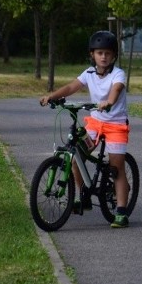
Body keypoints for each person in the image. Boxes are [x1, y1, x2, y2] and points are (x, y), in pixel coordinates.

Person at [40, 30, 131, 228]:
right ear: (92, 55)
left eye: (107, 53)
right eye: (99, 53)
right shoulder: (89, 73)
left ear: (114, 55)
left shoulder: (118, 74)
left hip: (116, 125)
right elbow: (72, 87)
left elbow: (116, 89)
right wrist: (52, 96)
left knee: (116, 169)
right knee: (75, 155)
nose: (104, 57)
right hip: (96, 125)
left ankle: (122, 211)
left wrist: (109, 102)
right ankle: (82, 196)